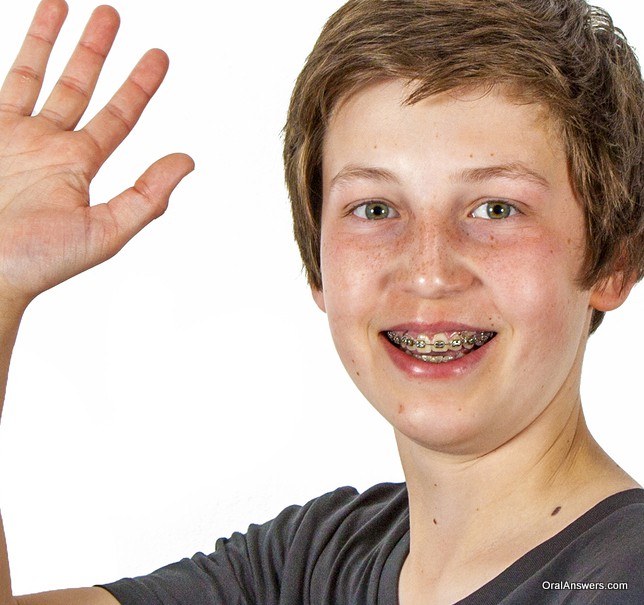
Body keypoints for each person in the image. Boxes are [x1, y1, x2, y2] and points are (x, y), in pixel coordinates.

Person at [1, 0, 642, 604]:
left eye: (496, 209)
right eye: (375, 209)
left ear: (615, 259)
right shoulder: (310, 563)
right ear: (319, 263)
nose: (428, 272)